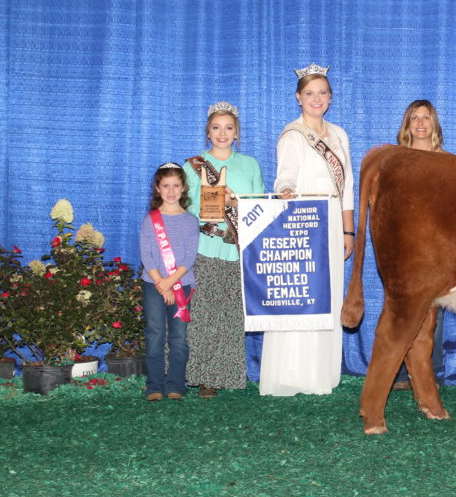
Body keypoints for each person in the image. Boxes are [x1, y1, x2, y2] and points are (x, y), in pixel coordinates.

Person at [261, 64, 354, 395]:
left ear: (330, 98)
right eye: (310, 93)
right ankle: (291, 373)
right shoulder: (292, 134)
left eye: (323, 93)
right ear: (299, 97)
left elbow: (348, 188)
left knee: (327, 293)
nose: (317, 99)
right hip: (301, 220)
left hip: (331, 222)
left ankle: (322, 373)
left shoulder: (340, 135)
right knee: (299, 292)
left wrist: (348, 231)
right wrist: (285, 190)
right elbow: (284, 175)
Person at [182, 102, 264, 399]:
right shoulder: (193, 166)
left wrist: (236, 204)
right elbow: (185, 207)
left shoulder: (250, 165)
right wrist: (212, 201)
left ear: (237, 132)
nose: (222, 133)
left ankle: (227, 373)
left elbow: (259, 206)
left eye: (229, 128)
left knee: (231, 315)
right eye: (216, 127)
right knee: (204, 313)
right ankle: (203, 376)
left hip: (237, 249)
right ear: (208, 131)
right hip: (205, 245)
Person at [391, 100, 447, 391]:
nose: (421, 123)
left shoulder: (448, 163)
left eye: (426, 117)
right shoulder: (396, 160)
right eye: (415, 118)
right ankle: (401, 372)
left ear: (434, 124)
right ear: (407, 124)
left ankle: (429, 373)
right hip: (404, 245)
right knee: (403, 309)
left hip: (438, 247)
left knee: (434, 310)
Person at [139, 163, 199, 401]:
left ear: (183, 188)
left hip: (182, 285)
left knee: (178, 338)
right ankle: (154, 386)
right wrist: (160, 283)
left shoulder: (190, 221)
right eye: (166, 186)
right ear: (157, 188)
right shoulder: (149, 220)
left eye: (176, 185)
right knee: (154, 334)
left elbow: (189, 257)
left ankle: (175, 384)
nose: (171, 191)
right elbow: (147, 255)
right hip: (153, 285)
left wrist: (171, 283)